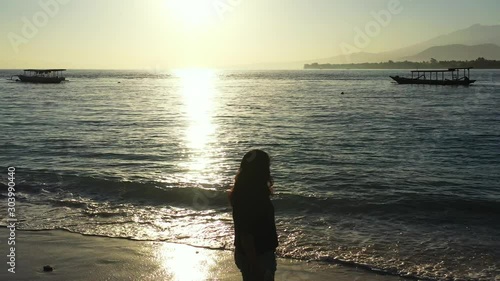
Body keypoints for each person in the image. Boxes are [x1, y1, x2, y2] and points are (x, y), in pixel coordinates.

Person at [229, 150, 278, 281]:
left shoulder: (243, 192)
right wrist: (254, 264)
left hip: (249, 254)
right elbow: (246, 233)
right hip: (257, 256)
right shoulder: (252, 197)